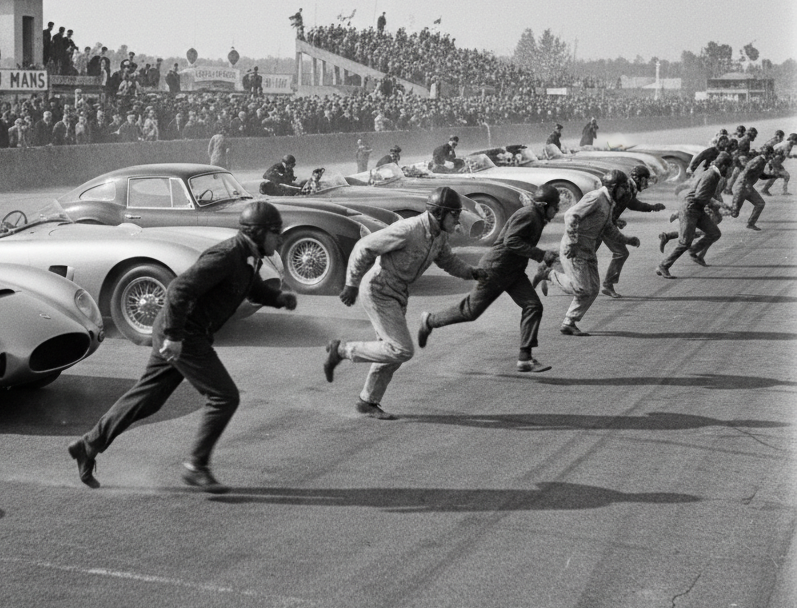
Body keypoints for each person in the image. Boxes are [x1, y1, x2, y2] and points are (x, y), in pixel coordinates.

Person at [67, 202, 298, 493]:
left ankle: (88, 446)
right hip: (183, 332)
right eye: (276, 232)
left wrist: (279, 299)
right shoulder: (227, 255)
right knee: (224, 396)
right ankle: (195, 467)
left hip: (181, 330)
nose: (280, 239)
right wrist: (174, 337)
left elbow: (249, 287)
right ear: (258, 232)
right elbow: (179, 289)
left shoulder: (250, 257)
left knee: (148, 398)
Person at [322, 187, 489, 418]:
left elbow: (448, 261)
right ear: (439, 213)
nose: (458, 219)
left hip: (398, 293)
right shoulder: (408, 229)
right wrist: (351, 283)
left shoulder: (439, 235)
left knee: (390, 351)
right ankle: (340, 350)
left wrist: (472, 273)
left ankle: (367, 402)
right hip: (378, 290)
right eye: (454, 214)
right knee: (401, 350)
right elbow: (364, 247)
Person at [417, 184, 561, 373]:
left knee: (533, 306)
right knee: (470, 312)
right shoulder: (529, 215)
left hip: (514, 272)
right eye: (555, 206)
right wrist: (541, 254)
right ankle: (430, 321)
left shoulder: (538, 217)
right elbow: (511, 241)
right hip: (495, 269)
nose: (556, 210)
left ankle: (525, 358)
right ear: (543, 205)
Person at [543, 169, 636, 335]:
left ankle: (569, 323)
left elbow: (608, 228)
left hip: (588, 249)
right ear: (613, 187)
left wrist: (626, 240)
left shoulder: (609, 202)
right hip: (575, 248)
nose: (625, 191)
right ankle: (550, 274)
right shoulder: (596, 197)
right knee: (582, 289)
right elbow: (571, 215)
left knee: (592, 289)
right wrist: (572, 242)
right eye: (623, 187)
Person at [656, 152, 731, 277]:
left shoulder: (712, 173)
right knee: (685, 242)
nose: (730, 171)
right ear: (724, 166)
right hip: (690, 209)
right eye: (730, 168)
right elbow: (700, 196)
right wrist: (718, 206)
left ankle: (693, 250)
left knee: (714, 233)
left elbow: (702, 195)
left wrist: (720, 205)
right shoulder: (711, 175)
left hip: (697, 208)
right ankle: (663, 266)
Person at [599, 164, 665, 298]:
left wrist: (651, 207)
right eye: (645, 179)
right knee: (620, 252)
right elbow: (610, 204)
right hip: (602, 224)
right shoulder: (625, 188)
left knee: (584, 253)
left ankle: (555, 273)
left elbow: (631, 203)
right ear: (639, 179)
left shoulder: (629, 188)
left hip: (605, 222)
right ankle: (607, 284)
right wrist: (613, 220)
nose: (646, 183)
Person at [730, 143, 773, 230]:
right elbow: (747, 170)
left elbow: (761, 175)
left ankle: (751, 223)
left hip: (745, 186)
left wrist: (773, 176)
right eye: (771, 154)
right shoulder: (758, 160)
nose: (771, 157)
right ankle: (715, 211)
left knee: (760, 203)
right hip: (742, 186)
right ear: (768, 154)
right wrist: (746, 184)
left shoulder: (762, 161)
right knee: (734, 213)